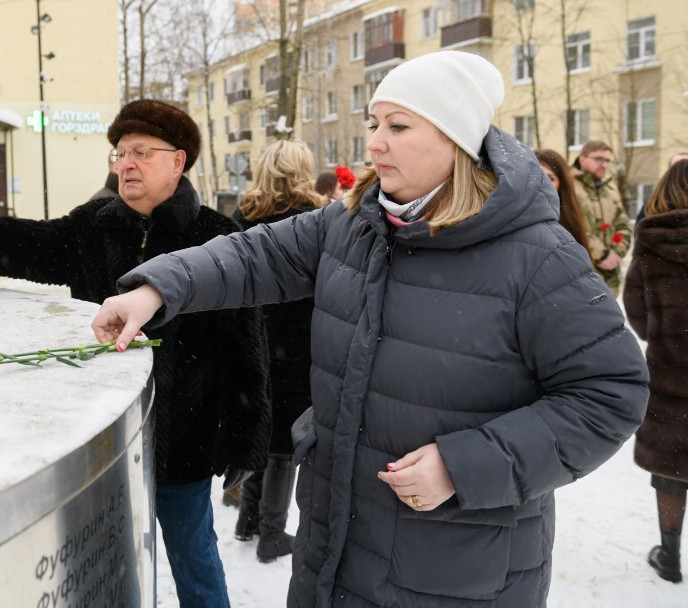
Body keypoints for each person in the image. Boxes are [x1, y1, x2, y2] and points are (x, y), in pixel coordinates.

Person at [91, 51, 649, 607]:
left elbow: (610, 394)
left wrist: (466, 466)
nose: (376, 143)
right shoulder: (356, 224)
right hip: (336, 550)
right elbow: (252, 255)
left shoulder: (537, 257)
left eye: (399, 126)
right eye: (374, 125)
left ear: (456, 139)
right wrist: (156, 289)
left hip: (456, 571)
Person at [0, 99, 272, 608]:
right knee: (112, 565)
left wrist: (245, 438)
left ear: (178, 161)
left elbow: (247, 345)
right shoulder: (95, 226)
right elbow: (23, 244)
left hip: (185, 443)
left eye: (140, 153)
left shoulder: (216, 237)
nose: (124, 164)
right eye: (119, 153)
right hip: (103, 440)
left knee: (194, 560)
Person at [230, 140, 325, 563]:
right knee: (284, 443)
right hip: (298, 341)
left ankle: (248, 519)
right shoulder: (315, 219)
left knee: (260, 426)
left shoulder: (242, 216)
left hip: (252, 336)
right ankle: (272, 532)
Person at [623, 159, 688, 584]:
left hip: (671, 375)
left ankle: (669, 556)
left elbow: (638, 314)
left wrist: (666, 335)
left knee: (671, 469)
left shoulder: (651, 242)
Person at [571, 140, 631, 295]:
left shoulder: (610, 187)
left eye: (607, 160)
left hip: (610, 278)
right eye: (598, 159)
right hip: (580, 273)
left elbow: (622, 223)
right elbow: (571, 226)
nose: (604, 164)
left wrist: (617, 252)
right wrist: (602, 254)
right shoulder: (569, 186)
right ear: (582, 159)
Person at [533, 148, 591, 258]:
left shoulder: (569, 224)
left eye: (550, 178)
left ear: (561, 184)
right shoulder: (511, 217)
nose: (542, 182)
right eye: (536, 175)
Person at [635, 152, 688, 225]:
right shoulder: (652, 207)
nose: (682, 173)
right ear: (669, 172)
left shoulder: (652, 207)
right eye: (676, 167)